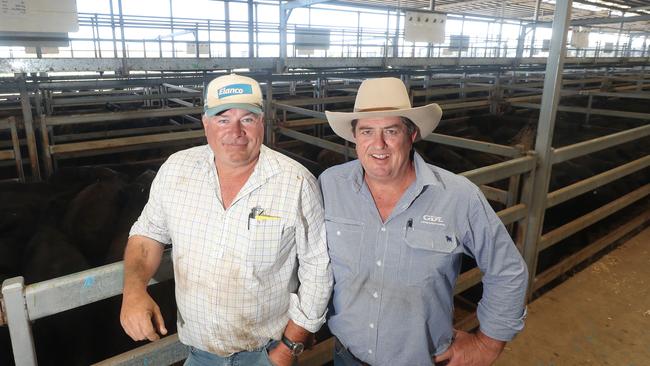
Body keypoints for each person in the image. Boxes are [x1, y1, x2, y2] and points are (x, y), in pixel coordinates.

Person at [120, 73, 333, 366]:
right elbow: (148, 235)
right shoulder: (176, 171)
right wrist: (133, 290)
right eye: (222, 118)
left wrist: (289, 348)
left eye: (247, 118)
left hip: (265, 354)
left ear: (262, 123)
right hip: (197, 355)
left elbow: (318, 267)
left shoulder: (296, 182)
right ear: (205, 124)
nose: (235, 131)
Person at [319, 77, 528, 366]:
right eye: (367, 131)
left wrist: (488, 344)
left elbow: (507, 270)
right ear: (355, 136)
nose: (378, 144)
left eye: (391, 130)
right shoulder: (330, 185)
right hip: (346, 356)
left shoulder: (458, 196)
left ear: (412, 134)